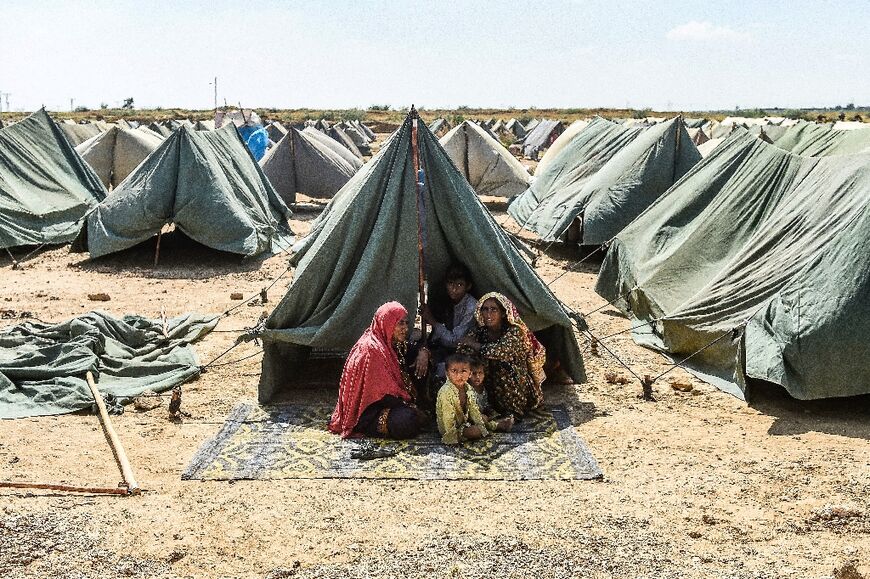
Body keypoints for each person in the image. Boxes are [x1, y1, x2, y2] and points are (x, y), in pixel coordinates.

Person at [328, 302, 426, 439]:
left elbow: (411, 349)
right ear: (387, 323)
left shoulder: (388, 341)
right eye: (400, 323)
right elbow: (382, 394)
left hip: (384, 401)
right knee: (406, 421)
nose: (405, 328)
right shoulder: (371, 350)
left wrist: (423, 352)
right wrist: (410, 407)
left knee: (421, 363)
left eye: (406, 323)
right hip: (367, 410)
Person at [458, 292, 546, 418]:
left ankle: (512, 412)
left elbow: (501, 350)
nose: (488, 314)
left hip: (513, 383)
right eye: (485, 309)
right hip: (488, 380)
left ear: (503, 313)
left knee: (503, 367)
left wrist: (476, 346)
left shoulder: (515, 331)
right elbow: (463, 349)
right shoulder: (480, 331)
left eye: (494, 310)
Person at [421, 262, 478, 379]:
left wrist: (432, 320)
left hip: (463, 354)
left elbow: (455, 341)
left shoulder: (471, 306)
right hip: (445, 349)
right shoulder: (446, 300)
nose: (454, 289)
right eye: (450, 283)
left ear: (468, 286)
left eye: (460, 285)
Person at [435, 354, 499, 445]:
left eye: (463, 371)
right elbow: (447, 419)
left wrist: (483, 430)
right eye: (454, 371)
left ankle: (492, 426)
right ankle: (462, 434)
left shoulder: (468, 388)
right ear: (447, 373)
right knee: (475, 431)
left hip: (464, 422)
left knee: (482, 419)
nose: (459, 375)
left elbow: (474, 410)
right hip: (449, 429)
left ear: (469, 374)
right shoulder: (446, 392)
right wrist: (452, 439)